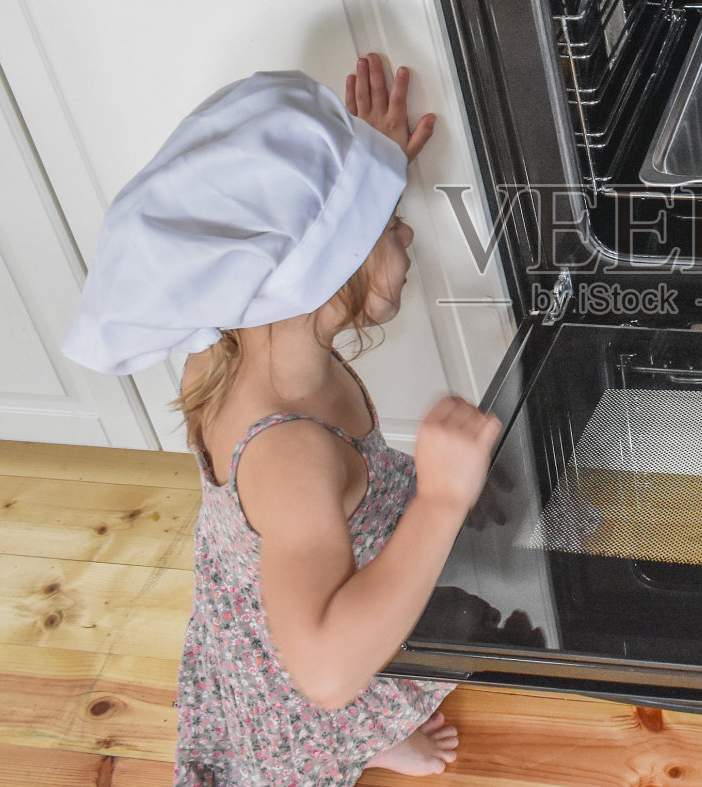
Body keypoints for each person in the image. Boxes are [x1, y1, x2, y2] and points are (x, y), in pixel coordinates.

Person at [61, 56, 500, 786]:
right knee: (351, 686)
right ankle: (358, 738)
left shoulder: (222, 341)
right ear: (327, 267)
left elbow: (285, 230)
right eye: (388, 225)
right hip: (309, 662)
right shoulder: (291, 453)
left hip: (264, 610)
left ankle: (370, 733)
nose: (410, 238)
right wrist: (443, 499)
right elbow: (326, 672)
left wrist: (363, 163)